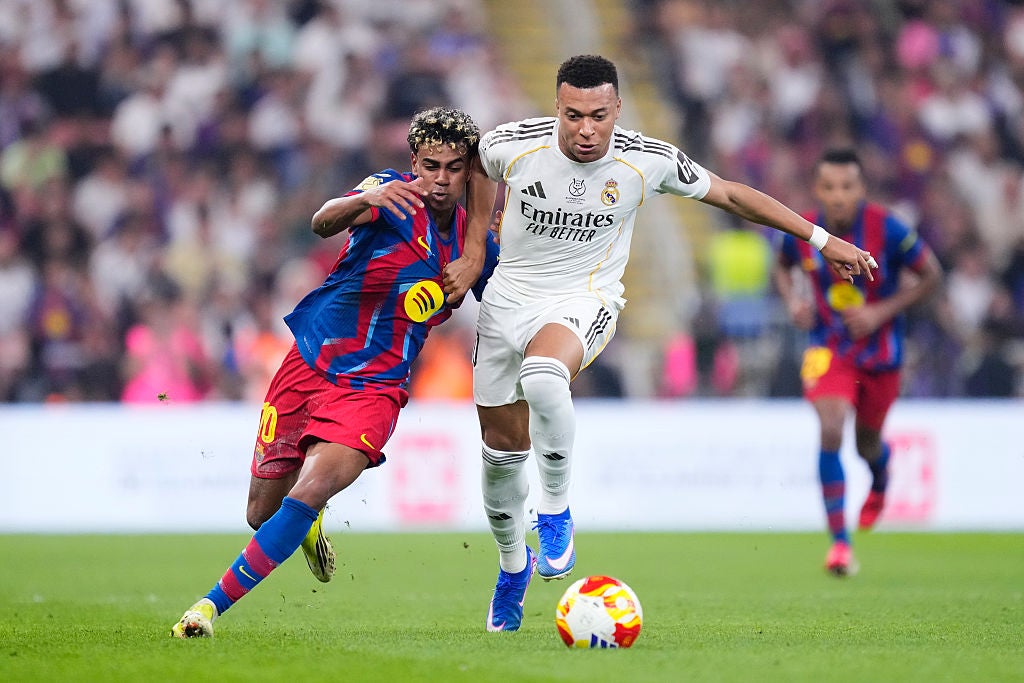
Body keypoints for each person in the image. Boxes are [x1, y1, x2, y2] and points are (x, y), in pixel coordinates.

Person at [451, 54, 878, 632]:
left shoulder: (645, 158)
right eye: (572, 115)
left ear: (617, 109)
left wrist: (821, 238)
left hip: (585, 298)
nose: (584, 129)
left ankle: (555, 510)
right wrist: (476, 247)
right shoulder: (514, 143)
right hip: (506, 304)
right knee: (500, 462)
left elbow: (728, 194)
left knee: (545, 375)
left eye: (598, 115)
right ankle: (511, 566)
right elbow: (476, 167)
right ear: (556, 107)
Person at [170, 106, 498, 638]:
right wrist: (362, 200)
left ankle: (205, 610)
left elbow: (508, 304)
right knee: (261, 513)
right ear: (414, 162)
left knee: (310, 490)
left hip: (375, 387)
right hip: (310, 362)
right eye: (431, 165)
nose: (440, 180)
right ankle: (308, 524)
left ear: (468, 172)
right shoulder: (392, 193)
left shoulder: (474, 245)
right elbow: (323, 221)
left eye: (454, 168)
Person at [774, 148, 941, 577]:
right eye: (829, 187)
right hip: (826, 347)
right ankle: (840, 545)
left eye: (847, 187)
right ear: (817, 189)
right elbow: (781, 262)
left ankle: (881, 477)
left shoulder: (888, 229)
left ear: (861, 189)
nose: (838, 197)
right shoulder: (805, 230)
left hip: (882, 355)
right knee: (831, 429)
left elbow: (931, 275)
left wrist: (880, 312)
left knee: (868, 444)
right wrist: (794, 299)